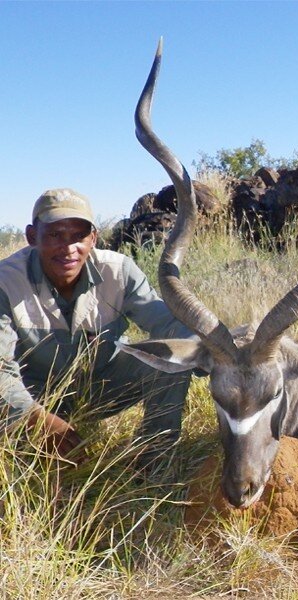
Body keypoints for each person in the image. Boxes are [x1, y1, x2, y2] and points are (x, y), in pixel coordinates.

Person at [0, 188, 192, 469]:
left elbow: (170, 325)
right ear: (32, 237)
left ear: (93, 238)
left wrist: (222, 355)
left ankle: (155, 461)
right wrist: (35, 419)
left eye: (79, 236)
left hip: (102, 385)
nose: (68, 248)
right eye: (54, 235)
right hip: (35, 394)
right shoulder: (6, 281)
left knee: (172, 358)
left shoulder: (119, 271)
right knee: (28, 467)